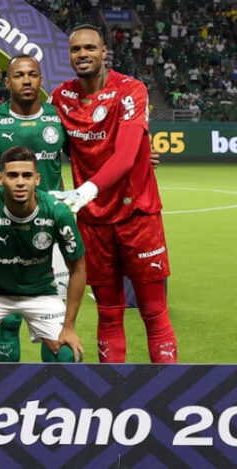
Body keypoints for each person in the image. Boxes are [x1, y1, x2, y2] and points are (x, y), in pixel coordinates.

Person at [50, 24, 177, 363]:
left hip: (137, 214)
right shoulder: (61, 97)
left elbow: (125, 155)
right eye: (76, 49)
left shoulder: (131, 90)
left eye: (90, 48)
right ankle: (115, 389)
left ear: (104, 52)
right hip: (94, 220)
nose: (83, 54)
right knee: (108, 312)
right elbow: (37, 133)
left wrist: (85, 191)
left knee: (153, 310)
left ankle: (170, 385)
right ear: (69, 56)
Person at [0, 145, 87, 363]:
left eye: (27, 175)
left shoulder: (57, 212)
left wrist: (69, 327)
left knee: (68, 353)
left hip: (40, 293)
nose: (21, 182)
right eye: (13, 175)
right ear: (0, 179)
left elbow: (78, 268)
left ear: (37, 179)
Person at [0, 55, 67, 362]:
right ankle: (7, 386)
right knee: (8, 318)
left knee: (54, 320)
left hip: (52, 229)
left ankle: (52, 382)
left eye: (32, 74)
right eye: (19, 75)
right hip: (4, 229)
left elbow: (89, 151)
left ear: (41, 80)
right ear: (7, 82)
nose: (26, 80)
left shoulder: (58, 117)